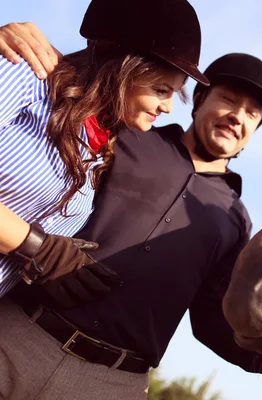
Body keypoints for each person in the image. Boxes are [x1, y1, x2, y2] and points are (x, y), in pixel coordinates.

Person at [0, 24, 262, 400]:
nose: (238, 117)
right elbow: (82, 86)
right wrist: (12, 37)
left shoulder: (235, 219)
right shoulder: (127, 133)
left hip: (111, 384)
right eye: (228, 100)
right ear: (198, 99)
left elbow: (213, 318)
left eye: (252, 114)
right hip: (20, 333)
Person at [0, 0, 209, 309]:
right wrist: (38, 248)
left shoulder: (102, 149)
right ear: (123, 68)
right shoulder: (25, 75)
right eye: (162, 90)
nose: (167, 107)